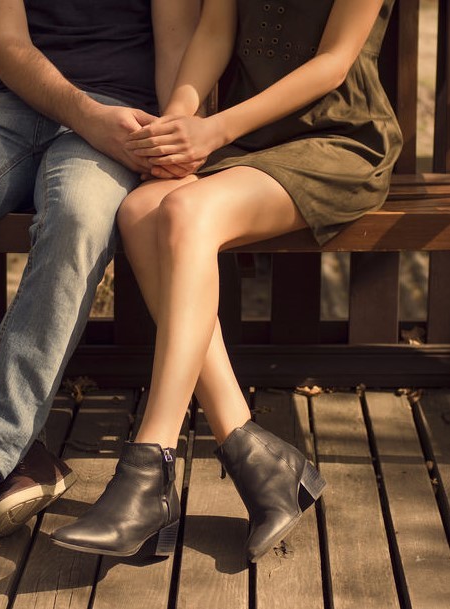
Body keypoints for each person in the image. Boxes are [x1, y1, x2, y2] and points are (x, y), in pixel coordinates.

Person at [51, 0, 402, 562]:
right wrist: (178, 123)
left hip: (339, 139)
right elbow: (215, 29)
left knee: (188, 213)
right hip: (256, 143)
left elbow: (334, 63)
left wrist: (213, 130)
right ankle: (254, 454)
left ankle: (151, 462)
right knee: (141, 210)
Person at [0, 0, 200, 563]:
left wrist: (169, 139)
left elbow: (177, 51)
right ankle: (10, 450)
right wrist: (88, 116)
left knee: (78, 218)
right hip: (14, 107)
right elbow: (11, 50)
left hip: (124, 121)